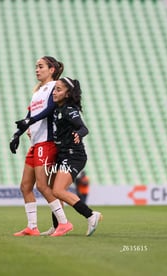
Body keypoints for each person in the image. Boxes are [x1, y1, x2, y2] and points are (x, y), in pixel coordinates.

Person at [9, 56, 73, 237]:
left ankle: (64, 223)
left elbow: (51, 109)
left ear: (51, 69)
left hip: (47, 143)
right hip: (35, 143)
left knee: (44, 187)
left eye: (41, 66)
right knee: (25, 186)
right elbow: (28, 117)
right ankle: (32, 227)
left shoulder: (54, 87)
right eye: (36, 67)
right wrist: (17, 135)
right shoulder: (36, 92)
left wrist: (29, 121)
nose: (37, 70)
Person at [51, 77, 102, 236]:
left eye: (58, 89)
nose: (54, 92)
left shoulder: (69, 109)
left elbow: (83, 128)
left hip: (74, 155)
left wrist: (79, 134)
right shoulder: (56, 109)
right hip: (62, 155)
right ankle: (58, 225)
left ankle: (91, 215)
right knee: (55, 192)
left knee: (58, 190)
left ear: (67, 94)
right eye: (55, 89)